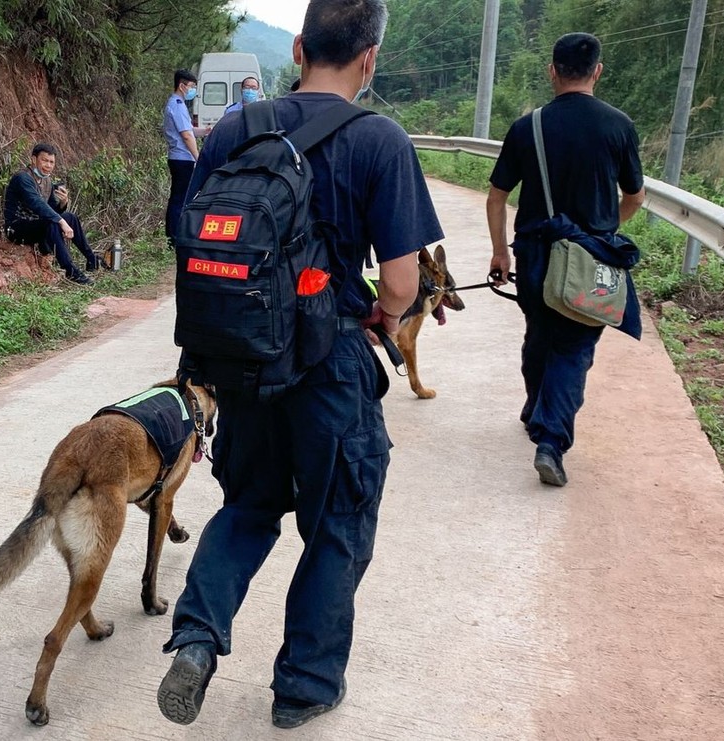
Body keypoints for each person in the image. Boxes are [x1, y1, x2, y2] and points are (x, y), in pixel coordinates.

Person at [156, 0, 443, 730]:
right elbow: (403, 284)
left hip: (243, 361)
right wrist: (382, 317)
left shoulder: (234, 129)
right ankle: (305, 685)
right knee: (337, 522)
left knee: (248, 506)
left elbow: (194, 241)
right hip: (330, 366)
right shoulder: (379, 140)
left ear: (297, 48)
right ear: (369, 58)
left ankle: (196, 637)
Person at [485, 32, 646, 486]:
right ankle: (551, 442)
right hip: (591, 258)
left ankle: (536, 408)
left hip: (535, 254)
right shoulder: (618, 126)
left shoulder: (528, 127)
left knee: (540, 332)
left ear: (552, 71)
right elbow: (635, 196)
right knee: (573, 347)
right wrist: (603, 231)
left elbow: (496, 197)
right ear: (598, 71)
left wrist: (499, 251)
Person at [3, 143, 98, 285]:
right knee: (53, 222)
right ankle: (71, 271)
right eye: (44, 160)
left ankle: (92, 259)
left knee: (70, 217)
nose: (48, 165)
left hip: (38, 225)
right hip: (16, 228)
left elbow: (53, 210)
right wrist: (61, 222)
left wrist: (63, 203)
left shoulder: (46, 180)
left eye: (51, 162)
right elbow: (36, 203)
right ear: (34, 159)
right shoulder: (22, 178)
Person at [163, 69, 199, 249]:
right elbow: (186, 135)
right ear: (182, 86)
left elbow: (190, 131)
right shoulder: (177, 105)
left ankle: (175, 234)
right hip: (182, 158)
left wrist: (206, 131)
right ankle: (174, 237)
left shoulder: (179, 104)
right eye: (192, 86)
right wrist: (198, 157)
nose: (193, 90)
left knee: (179, 197)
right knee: (179, 198)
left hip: (180, 157)